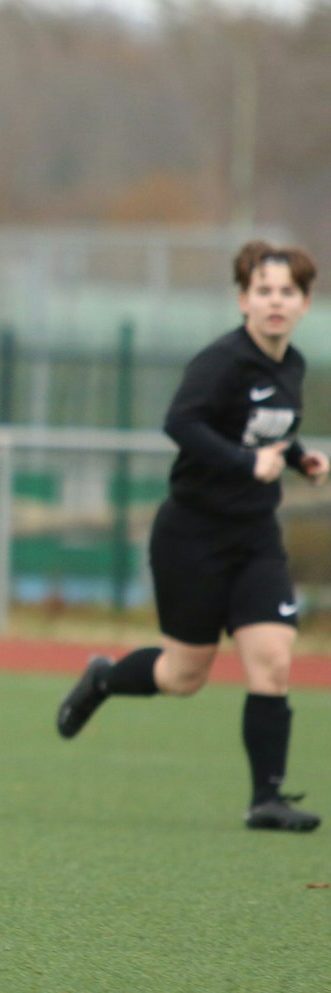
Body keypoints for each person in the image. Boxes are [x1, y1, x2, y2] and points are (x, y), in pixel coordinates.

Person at [58, 240, 326, 833]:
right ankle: (104, 678)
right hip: (193, 535)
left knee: (274, 659)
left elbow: (270, 432)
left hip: (255, 537)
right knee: (184, 676)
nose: (275, 302)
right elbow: (180, 422)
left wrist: (300, 459)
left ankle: (267, 800)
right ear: (243, 300)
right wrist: (242, 463)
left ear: (306, 302)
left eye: (287, 292)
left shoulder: (293, 365)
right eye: (263, 291)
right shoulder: (223, 362)